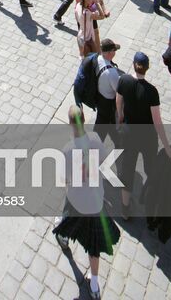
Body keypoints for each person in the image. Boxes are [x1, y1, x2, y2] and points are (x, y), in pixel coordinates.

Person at [52, 106, 120, 300]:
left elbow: (64, 179)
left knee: (67, 218)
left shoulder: (67, 150)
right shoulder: (96, 140)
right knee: (94, 246)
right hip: (95, 202)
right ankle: (95, 285)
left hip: (76, 199)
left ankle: (63, 238)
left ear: (71, 125)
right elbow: (105, 165)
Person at [115, 52, 171, 218]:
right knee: (150, 168)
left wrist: (120, 116)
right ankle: (150, 201)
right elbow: (157, 122)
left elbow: (118, 101)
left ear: (133, 64)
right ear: (147, 69)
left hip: (128, 134)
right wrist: (167, 146)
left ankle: (125, 209)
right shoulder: (152, 92)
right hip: (148, 137)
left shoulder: (123, 80)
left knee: (127, 169)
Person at [94, 38, 122, 130]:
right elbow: (118, 91)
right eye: (114, 50)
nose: (115, 52)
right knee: (102, 126)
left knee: (105, 123)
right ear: (110, 53)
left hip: (99, 95)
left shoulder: (98, 58)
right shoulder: (111, 72)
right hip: (107, 103)